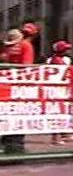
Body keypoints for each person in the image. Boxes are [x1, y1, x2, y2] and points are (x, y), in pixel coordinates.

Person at [1, 24, 38, 154]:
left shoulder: (7, 47)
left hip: (4, 85)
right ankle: (15, 147)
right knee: (18, 114)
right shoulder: (26, 46)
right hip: (18, 86)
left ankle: (6, 143)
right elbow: (26, 68)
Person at [46, 41, 73, 145]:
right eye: (65, 49)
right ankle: (55, 138)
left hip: (63, 88)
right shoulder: (52, 60)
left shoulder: (64, 59)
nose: (67, 51)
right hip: (55, 89)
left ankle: (65, 134)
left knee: (65, 111)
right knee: (56, 113)